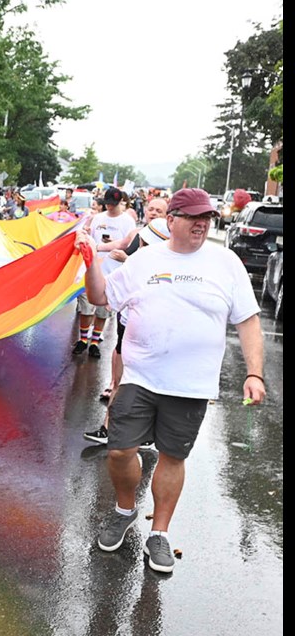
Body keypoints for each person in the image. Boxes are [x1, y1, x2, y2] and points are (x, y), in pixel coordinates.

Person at [76, 187, 265, 573]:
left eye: (206, 218)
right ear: (171, 220)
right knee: (119, 451)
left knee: (173, 457)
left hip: (191, 385)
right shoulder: (146, 259)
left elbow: (247, 320)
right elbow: (100, 296)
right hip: (140, 376)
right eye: (193, 217)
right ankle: (124, 509)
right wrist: (90, 261)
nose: (201, 224)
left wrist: (254, 373)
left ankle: (158, 534)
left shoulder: (226, 262)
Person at [84, 196, 169, 445]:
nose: (153, 212)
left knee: (144, 384)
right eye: (151, 208)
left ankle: (143, 433)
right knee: (121, 379)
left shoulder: (168, 257)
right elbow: (102, 292)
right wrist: (93, 249)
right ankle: (108, 428)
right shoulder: (136, 234)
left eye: (159, 210)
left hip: (151, 331)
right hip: (127, 323)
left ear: (170, 216)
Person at [72, 187, 136, 359]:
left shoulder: (128, 222)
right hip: (92, 270)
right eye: (107, 203)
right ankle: (83, 339)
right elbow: (89, 238)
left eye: (113, 204)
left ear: (120, 203)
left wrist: (113, 243)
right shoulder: (97, 218)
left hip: (112, 273)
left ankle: (94, 341)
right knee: (86, 308)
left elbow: (129, 245)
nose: (109, 207)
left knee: (103, 311)